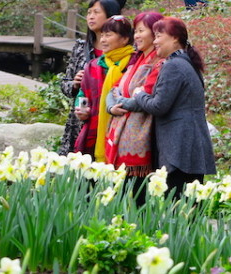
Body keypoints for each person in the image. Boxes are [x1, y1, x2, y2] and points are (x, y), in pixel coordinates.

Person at [122, 17, 216, 197]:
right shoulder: (187, 63)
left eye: (158, 36)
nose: (155, 41)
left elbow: (158, 106)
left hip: (179, 149)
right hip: (191, 146)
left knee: (178, 206)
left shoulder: (173, 66)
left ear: (174, 38)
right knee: (190, 204)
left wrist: (139, 94)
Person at [104, 12, 165, 205]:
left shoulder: (158, 61)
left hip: (140, 135)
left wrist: (120, 101)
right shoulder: (137, 59)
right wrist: (111, 106)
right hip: (121, 129)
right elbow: (115, 88)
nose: (136, 36)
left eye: (141, 31)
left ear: (155, 33)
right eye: (135, 31)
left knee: (136, 196)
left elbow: (146, 96)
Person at [58, 0, 121, 156]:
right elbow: (64, 84)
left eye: (96, 12)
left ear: (110, 16)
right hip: (81, 121)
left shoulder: (124, 51)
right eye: (88, 12)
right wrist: (75, 83)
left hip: (111, 119)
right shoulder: (80, 48)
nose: (91, 16)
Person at [74, 15, 135, 161]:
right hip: (97, 130)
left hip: (127, 132)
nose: (103, 40)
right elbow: (83, 94)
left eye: (108, 35)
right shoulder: (94, 66)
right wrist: (81, 109)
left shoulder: (135, 64)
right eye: (102, 35)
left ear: (125, 39)